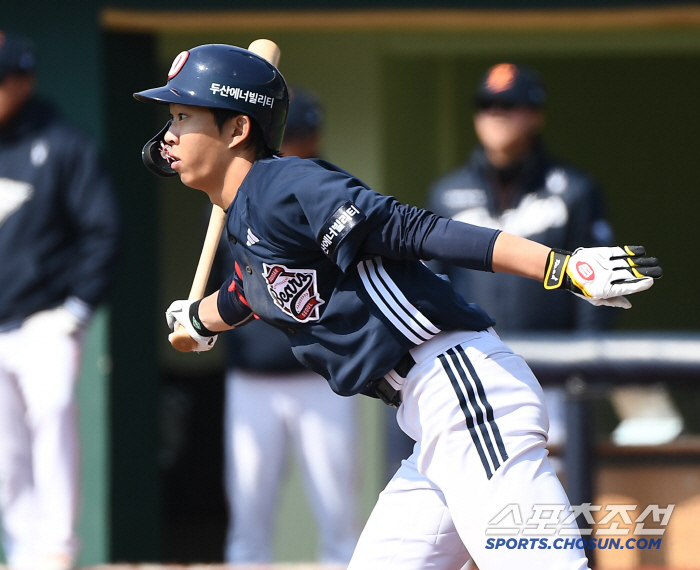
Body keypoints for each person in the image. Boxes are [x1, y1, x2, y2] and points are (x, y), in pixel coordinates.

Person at [135, 44, 661, 570]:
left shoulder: (288, 184)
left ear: (237, 130)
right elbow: (252, 292)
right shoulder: (248, 219)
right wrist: (198, 319)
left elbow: (416, 229)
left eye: (184, 115)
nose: (170, 134)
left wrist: (559, 266)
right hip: (431, 421)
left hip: (460, 389)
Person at [425, 62, 682, 448]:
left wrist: (586, 366)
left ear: (535, 114)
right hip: (471, 368)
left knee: (555, 489)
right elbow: (430, 283)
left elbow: (595, 290)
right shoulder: (447, 192)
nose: (495, 114)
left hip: (554, 374)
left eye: (508, 104)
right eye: (486, 104)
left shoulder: (574, 189)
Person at [216, 86, 359, 564]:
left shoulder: (332, 189)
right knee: (248, 514)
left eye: (305, 132)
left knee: (339, 513)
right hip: (252, 374)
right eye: (289, 133)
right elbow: (233, 284)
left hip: (321, 376)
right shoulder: (230, 195)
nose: (298, 141)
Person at [0, 32, 120, 570]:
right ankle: (23, 552)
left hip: (45, 319)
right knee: (5, 451)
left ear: (22, 82)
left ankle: (56, 550)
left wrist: (76, 310)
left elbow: (103, 230)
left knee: (51, 426)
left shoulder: (63, 142)